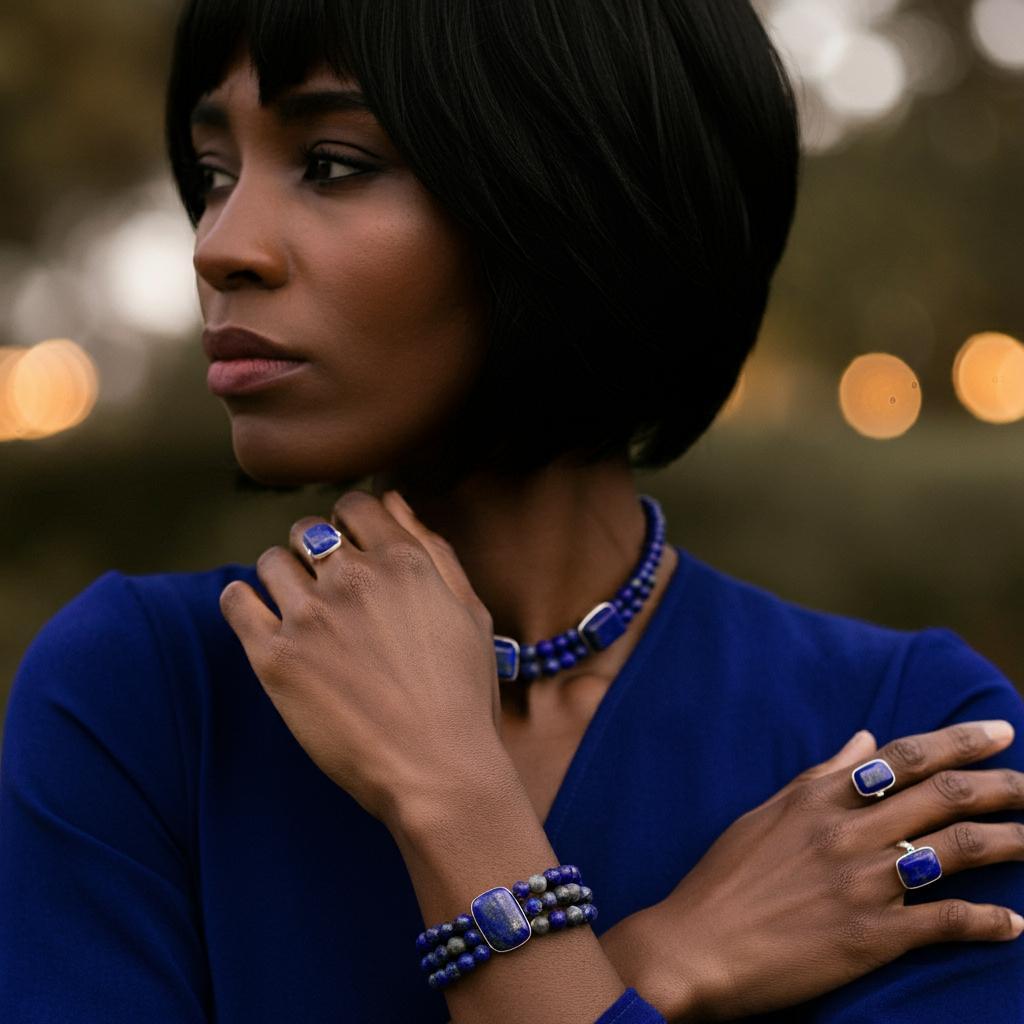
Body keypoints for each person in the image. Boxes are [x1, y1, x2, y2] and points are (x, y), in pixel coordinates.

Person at [1, 1, 1022, 1021]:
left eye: (331, 162)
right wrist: (650, 961)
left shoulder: (909, 750)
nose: (219, 245)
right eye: (215, 174)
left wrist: (457, 808)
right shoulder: (138, 699)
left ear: (572, 192)